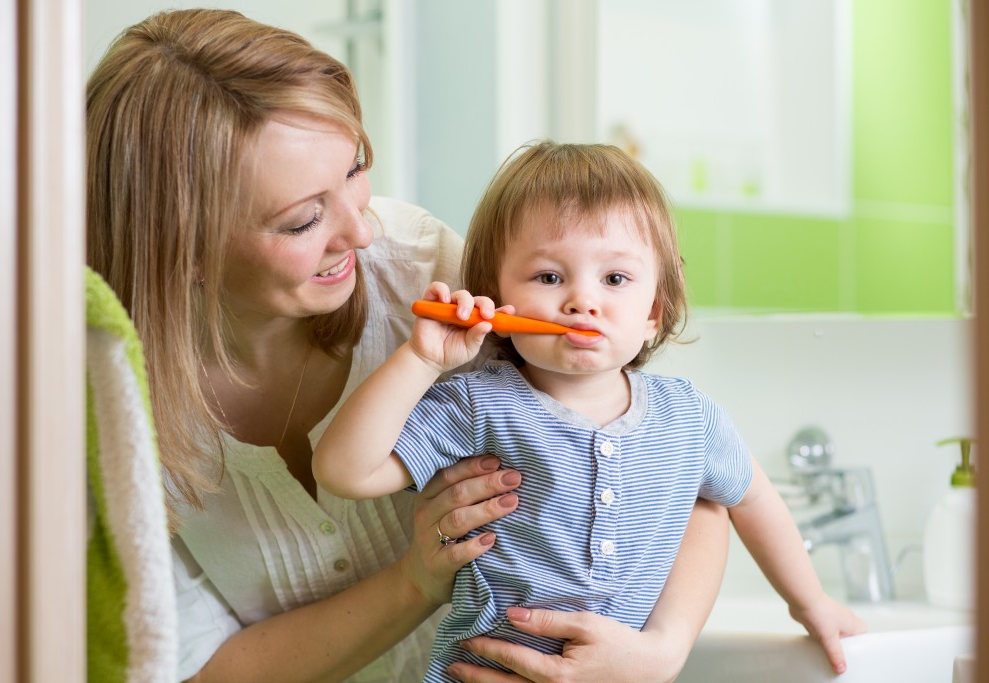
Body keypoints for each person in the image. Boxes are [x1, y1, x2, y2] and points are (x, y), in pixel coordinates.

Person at [86, 10, 734, 683]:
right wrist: (418, 579)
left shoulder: (430, 274)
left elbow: (682, 463)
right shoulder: (108, 405)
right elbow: (192, 668)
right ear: (180, 250)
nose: (360, 233)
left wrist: (661, 649)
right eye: (303, 219)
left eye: (355, 170)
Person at [313, 141, 867, 681]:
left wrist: (809, 601)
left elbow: (754, 500)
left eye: (615, 279)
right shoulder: (474, 405)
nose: (583, 300)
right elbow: (344, 471)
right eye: (550, 277)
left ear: (654, 310)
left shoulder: (690, 420)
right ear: (494, 297)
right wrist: (421, 357)